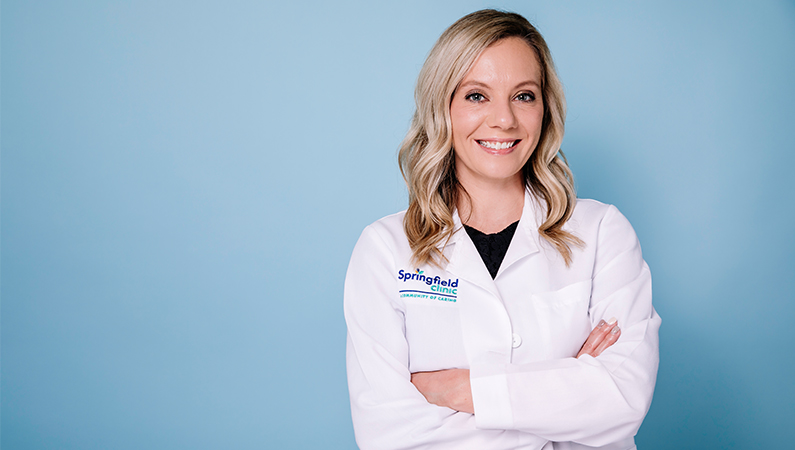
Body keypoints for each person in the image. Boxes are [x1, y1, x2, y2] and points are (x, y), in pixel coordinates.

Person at [344, 9, 660, 450]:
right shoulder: (385, 250)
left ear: (545, 108)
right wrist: (564, 395)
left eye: (524, 96)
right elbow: (390, 435)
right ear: (443, 106)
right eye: (477, 96)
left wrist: (462, 390)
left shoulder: (603, 231)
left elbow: (622, 400)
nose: (504, 120)